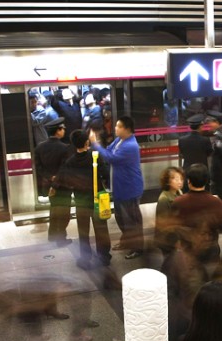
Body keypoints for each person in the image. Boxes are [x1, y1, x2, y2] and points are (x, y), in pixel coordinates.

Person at [54, 129, 113, 273]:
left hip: (81, 202)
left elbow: (65, 179)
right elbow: (106, 173)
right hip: (97, 200)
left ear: (74, 144)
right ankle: (104, 257)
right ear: (87, 142)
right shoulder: (95, 156)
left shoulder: (70, 161)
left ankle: (85, 259)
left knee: (83, 231)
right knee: (101, 229)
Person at [91, 115, 144, 259]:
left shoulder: (130, 146)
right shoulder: (120, 140)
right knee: (121, 217)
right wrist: (99, 145)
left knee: (132, 221)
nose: (115, 128)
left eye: (119, 126)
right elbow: (108, 150)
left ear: (127, 129)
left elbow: (110, 157)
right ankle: (127, 242)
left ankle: (138, 248)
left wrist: (95, 144)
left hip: (130, 189)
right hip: (120, 188)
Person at [172, 164, 222, 264]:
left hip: (188, 251)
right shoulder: (216, 202)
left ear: (189, 181)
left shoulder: (178, 202)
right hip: (210, 249)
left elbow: (173, 224)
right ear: (206, 181)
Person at [34, 119, 72, 242]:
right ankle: (60, 238)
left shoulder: (40, 147)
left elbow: (38, 168)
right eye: (62, 128)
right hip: (62, 186)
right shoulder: (65, 148)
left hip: (48, 184)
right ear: (58, 131)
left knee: (54, 209)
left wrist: (50, 178)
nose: (64, 130)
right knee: (64, 212)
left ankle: (52, 235)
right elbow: (64, 169)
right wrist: (55, 183)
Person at [154, 166, 185, 259]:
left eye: (181, 179)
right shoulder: (164, 199)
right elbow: (164, 225)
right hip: (167, 239)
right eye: (176, 179)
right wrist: (176, 241)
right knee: (170, 260)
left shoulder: (179, 192)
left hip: (176, 235)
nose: (180, 182)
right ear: (167, 181)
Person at [177, 113, 212, 182]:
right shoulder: (205, 140)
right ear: (200, 126)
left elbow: (182, 153)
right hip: (202, 171)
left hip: (187, 170)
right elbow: (209, 153)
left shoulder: (182, 140)